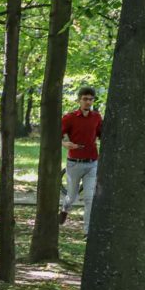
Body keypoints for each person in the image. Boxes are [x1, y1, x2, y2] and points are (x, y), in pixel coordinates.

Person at [59, 87, 104, 234]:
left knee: (90, 198)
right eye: (85, 99)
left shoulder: (96, 117)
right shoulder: (69, 117)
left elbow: (102, 134)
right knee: (72, 196)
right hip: (74, 163)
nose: (88, 102)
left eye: (91, 99)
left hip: (92, 163)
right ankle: (64, 209)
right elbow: (58, 134)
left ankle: (87, 231)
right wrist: (65, 143)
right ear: (79, 100)